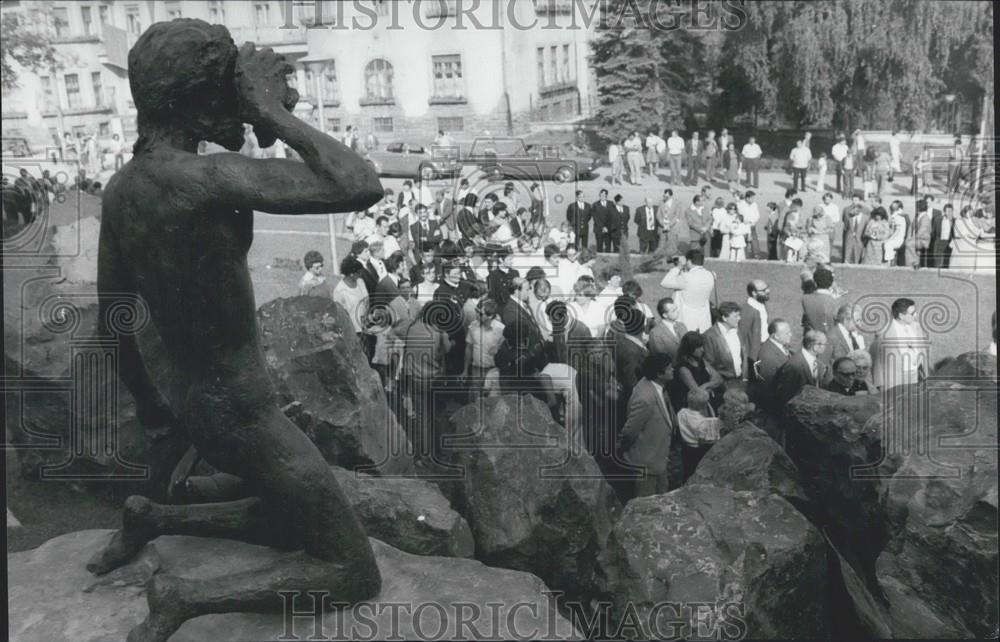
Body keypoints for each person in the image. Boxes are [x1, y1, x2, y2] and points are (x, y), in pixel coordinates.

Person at [619, 353, 678, 500]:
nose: (673, 370)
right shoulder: (645, 397)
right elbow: (630, 431)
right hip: (645, 464)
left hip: (658, 461)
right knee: (645, 509)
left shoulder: (658, 388)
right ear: (659, 373)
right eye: (669, 368)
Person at [871, 298, 927, 391]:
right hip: (895, 383)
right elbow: (876, 361)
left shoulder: (916, 327)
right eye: (912, 313)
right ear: (901, 315)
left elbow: (922, 351)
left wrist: (925, 373)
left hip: (916, 379)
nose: (915, 315)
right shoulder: (884, 334)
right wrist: (880, 386)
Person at [659, 248, 715, 333]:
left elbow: (664, 282)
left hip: (687, 319)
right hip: (704, 319)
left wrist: (678, 267)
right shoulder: (711, 275)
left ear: (688, 261)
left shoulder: (685, 278)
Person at [773, 330, 831, 408]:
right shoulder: (794, 365)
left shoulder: (818, 364)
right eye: (825, 344)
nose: (826, 347)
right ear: (816, 346)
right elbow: (784, 397)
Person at [463, 298, 505, 399]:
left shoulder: (501, 329)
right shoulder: (473, 326)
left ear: (490, 316)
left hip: (493, 371)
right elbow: (469, 347)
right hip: (476, 370)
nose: (477, 316)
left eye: (480, 314)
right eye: (476, 312)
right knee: (475, 400)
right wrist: (465, 370)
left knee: (492, 401)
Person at [677, 388, 721, 481]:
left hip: (685, 448)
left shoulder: (681, 412)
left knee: (687, 472)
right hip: (697, 450)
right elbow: (703, 441)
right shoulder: (702, 422)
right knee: (697, 472)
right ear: (704, 405)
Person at [702, 301, 744, 383]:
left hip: (740, 379)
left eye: (739, 315)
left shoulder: (737, 330)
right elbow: (709, 364)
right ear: (724, 318)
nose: (739, 318)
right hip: (724, 383)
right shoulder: (709, 336)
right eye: (736, 316)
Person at [738, 280, 769, 377]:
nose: (768, 291)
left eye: (767, 288)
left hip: (764, 347)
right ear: (754, 293)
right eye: (763, 290)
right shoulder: (748, 310)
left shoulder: (761, 303)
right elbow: (741, 337)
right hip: (754, 355)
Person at [950, 205, 994, 270]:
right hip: (961, 245)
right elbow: (957, 234)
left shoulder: (974, 221)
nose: (970, 214)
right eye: (968, 212)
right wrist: (969, 233)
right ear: (964, 212)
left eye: (971, 213)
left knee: (969, 268)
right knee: (957, 266)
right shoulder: (959, 221)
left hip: (971, 247)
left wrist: (994, 235)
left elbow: (982, 234)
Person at [648, 297, 688, 361]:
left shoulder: (682, 326)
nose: (677, 311)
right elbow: (660, 358)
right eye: (673, 310)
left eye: (676, 309)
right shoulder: (655, 333)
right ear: (665, 315)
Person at [841, 194, 868, 264]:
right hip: (850, 234)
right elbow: (845, 222)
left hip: (860, 237)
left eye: (856, 200)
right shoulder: (847, 210)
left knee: (858, 254)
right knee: (848, 253)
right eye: (853, 200)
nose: (854, 202)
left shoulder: (866, 210)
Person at [592, 188, 615, 253]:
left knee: (608, 246)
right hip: (599, 229)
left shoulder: (611, 204)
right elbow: (595, 218)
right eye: (600, 195)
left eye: (604, 195)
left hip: (608, 229)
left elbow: (613, 216)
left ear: (606, 196)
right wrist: (602, 227)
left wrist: (608, 227)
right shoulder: (595, 205)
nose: (602, 196)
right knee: (599, 246)